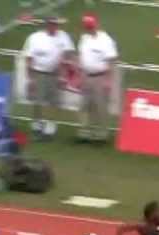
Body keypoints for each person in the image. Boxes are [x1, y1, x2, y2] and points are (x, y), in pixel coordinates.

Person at [21, 15, 74, 138]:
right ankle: (37, 124)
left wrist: (64, 75)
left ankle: (50, 126)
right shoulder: (35, 38)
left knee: (54, 101)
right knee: (37, 100)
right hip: (39, 73)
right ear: (47, 25)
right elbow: (29, 58)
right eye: (53, 24)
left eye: (56, 25)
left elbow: (68, 54)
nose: (55, 27)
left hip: (55, 74)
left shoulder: (64, 36)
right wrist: (30, 78)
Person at [76, 14, 118, 143]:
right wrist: (80, 76)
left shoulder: (106, 40)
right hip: (86, 76)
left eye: (90, 26)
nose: (88, 28)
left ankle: (101, 134)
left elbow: (110, 61)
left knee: (100, 106)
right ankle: (84, 133)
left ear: (96, 25)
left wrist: (108, 81)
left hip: (100, 78)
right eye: (87, 26)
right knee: (84, 105)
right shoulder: (84, 38)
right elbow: (81, 58)